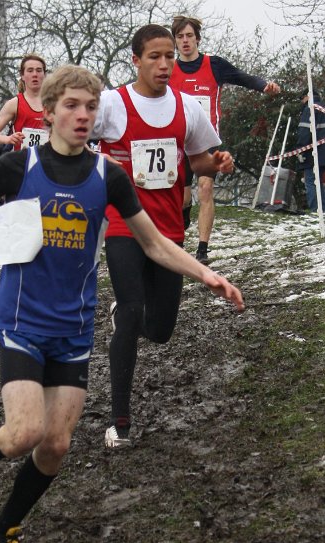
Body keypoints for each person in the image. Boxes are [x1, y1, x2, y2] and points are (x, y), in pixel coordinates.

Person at [0, 64, 244, 543]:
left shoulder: (108, 176)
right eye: (72, 106)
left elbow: (153, 243)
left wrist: (206, 275)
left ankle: (5, 527)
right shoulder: (18, 166)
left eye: (90, 107)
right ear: (49, 112)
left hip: (74, 327)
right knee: (23, 434)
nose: (83, 115)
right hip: (22, 320)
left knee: (56, 445)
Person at [90, 24, 239, 448]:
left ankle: (127, 317)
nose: (164, 64)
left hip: (169, 228)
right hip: (123, 224)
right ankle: (120, 423)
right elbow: (72, 135)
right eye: (154, 56)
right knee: (132, 309)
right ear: (136, 60)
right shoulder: (111, 104)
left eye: (170, 56)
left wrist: (218, 163)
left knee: (161, 330)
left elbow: (198, 160)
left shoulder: (186, 106)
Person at [169, 15, 281, 264]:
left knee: (206, 187)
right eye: (180, 36)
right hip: (178, 143)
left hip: (207, 140)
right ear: (175, 41)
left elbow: (241, 77)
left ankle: (202, 250)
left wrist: (264, 85)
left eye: (189, 36)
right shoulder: (169, 69)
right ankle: (183, 220)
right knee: (183, 199)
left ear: (197, 39)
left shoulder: (214, 65)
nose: (185, 41)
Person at [0, 53, 49, 153]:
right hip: (21, 160)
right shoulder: (14, 104)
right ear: (22, 75)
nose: (35, 74)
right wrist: (8, 139)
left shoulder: (54, 103)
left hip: (47, 160)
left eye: (39, 70)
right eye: (30, 70)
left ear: (44, 74)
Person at [296, 87, 325, 212]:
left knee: (311, 181)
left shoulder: (310, 109)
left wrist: (300, 150)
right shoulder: (323, 108)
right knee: (321, 182)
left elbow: (304, 132)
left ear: (307, 96)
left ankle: (316, 211)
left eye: (302, 98)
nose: (302, 101)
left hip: (313, 153)